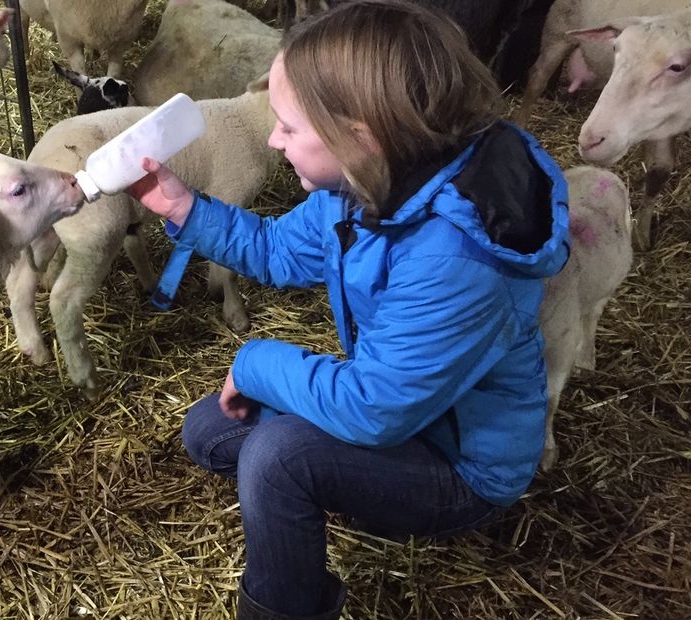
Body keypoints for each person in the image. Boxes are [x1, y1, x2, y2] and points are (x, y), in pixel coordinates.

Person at [125, 1, 570, 619]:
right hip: (407, 409)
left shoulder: (456, 258)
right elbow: (277, 249)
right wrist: (182, 208)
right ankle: (339, 488)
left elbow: (374, 410)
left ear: (358, 135)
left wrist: (255, 362)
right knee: (209, 433)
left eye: (288, 126)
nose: (274, 139)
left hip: (461, 468)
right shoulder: (372, 183)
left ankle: (286, 607)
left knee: (278, 457)